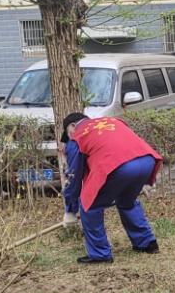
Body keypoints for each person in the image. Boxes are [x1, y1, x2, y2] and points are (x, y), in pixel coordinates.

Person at [61, 113, 163, 264]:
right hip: (147, 160)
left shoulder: (78, 135)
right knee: (126, 201)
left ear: (73, 126)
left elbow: (74, 177)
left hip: (119, 166)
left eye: (68, 134)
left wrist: (70, 208)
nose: (69, 138)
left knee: (89, 204)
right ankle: (147, 243)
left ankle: (99, 254)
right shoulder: (113, 121)